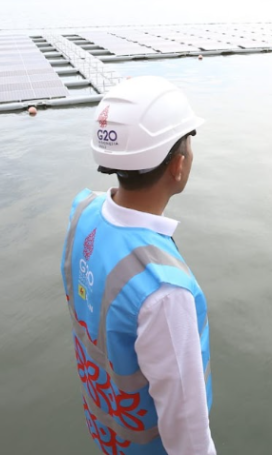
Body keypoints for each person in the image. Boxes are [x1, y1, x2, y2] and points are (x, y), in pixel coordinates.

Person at [60, 76, 215, 455]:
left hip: (107, 435)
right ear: (177, 166)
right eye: (189, 144)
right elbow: (188, 436)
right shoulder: (164, 291)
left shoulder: (82, 210)